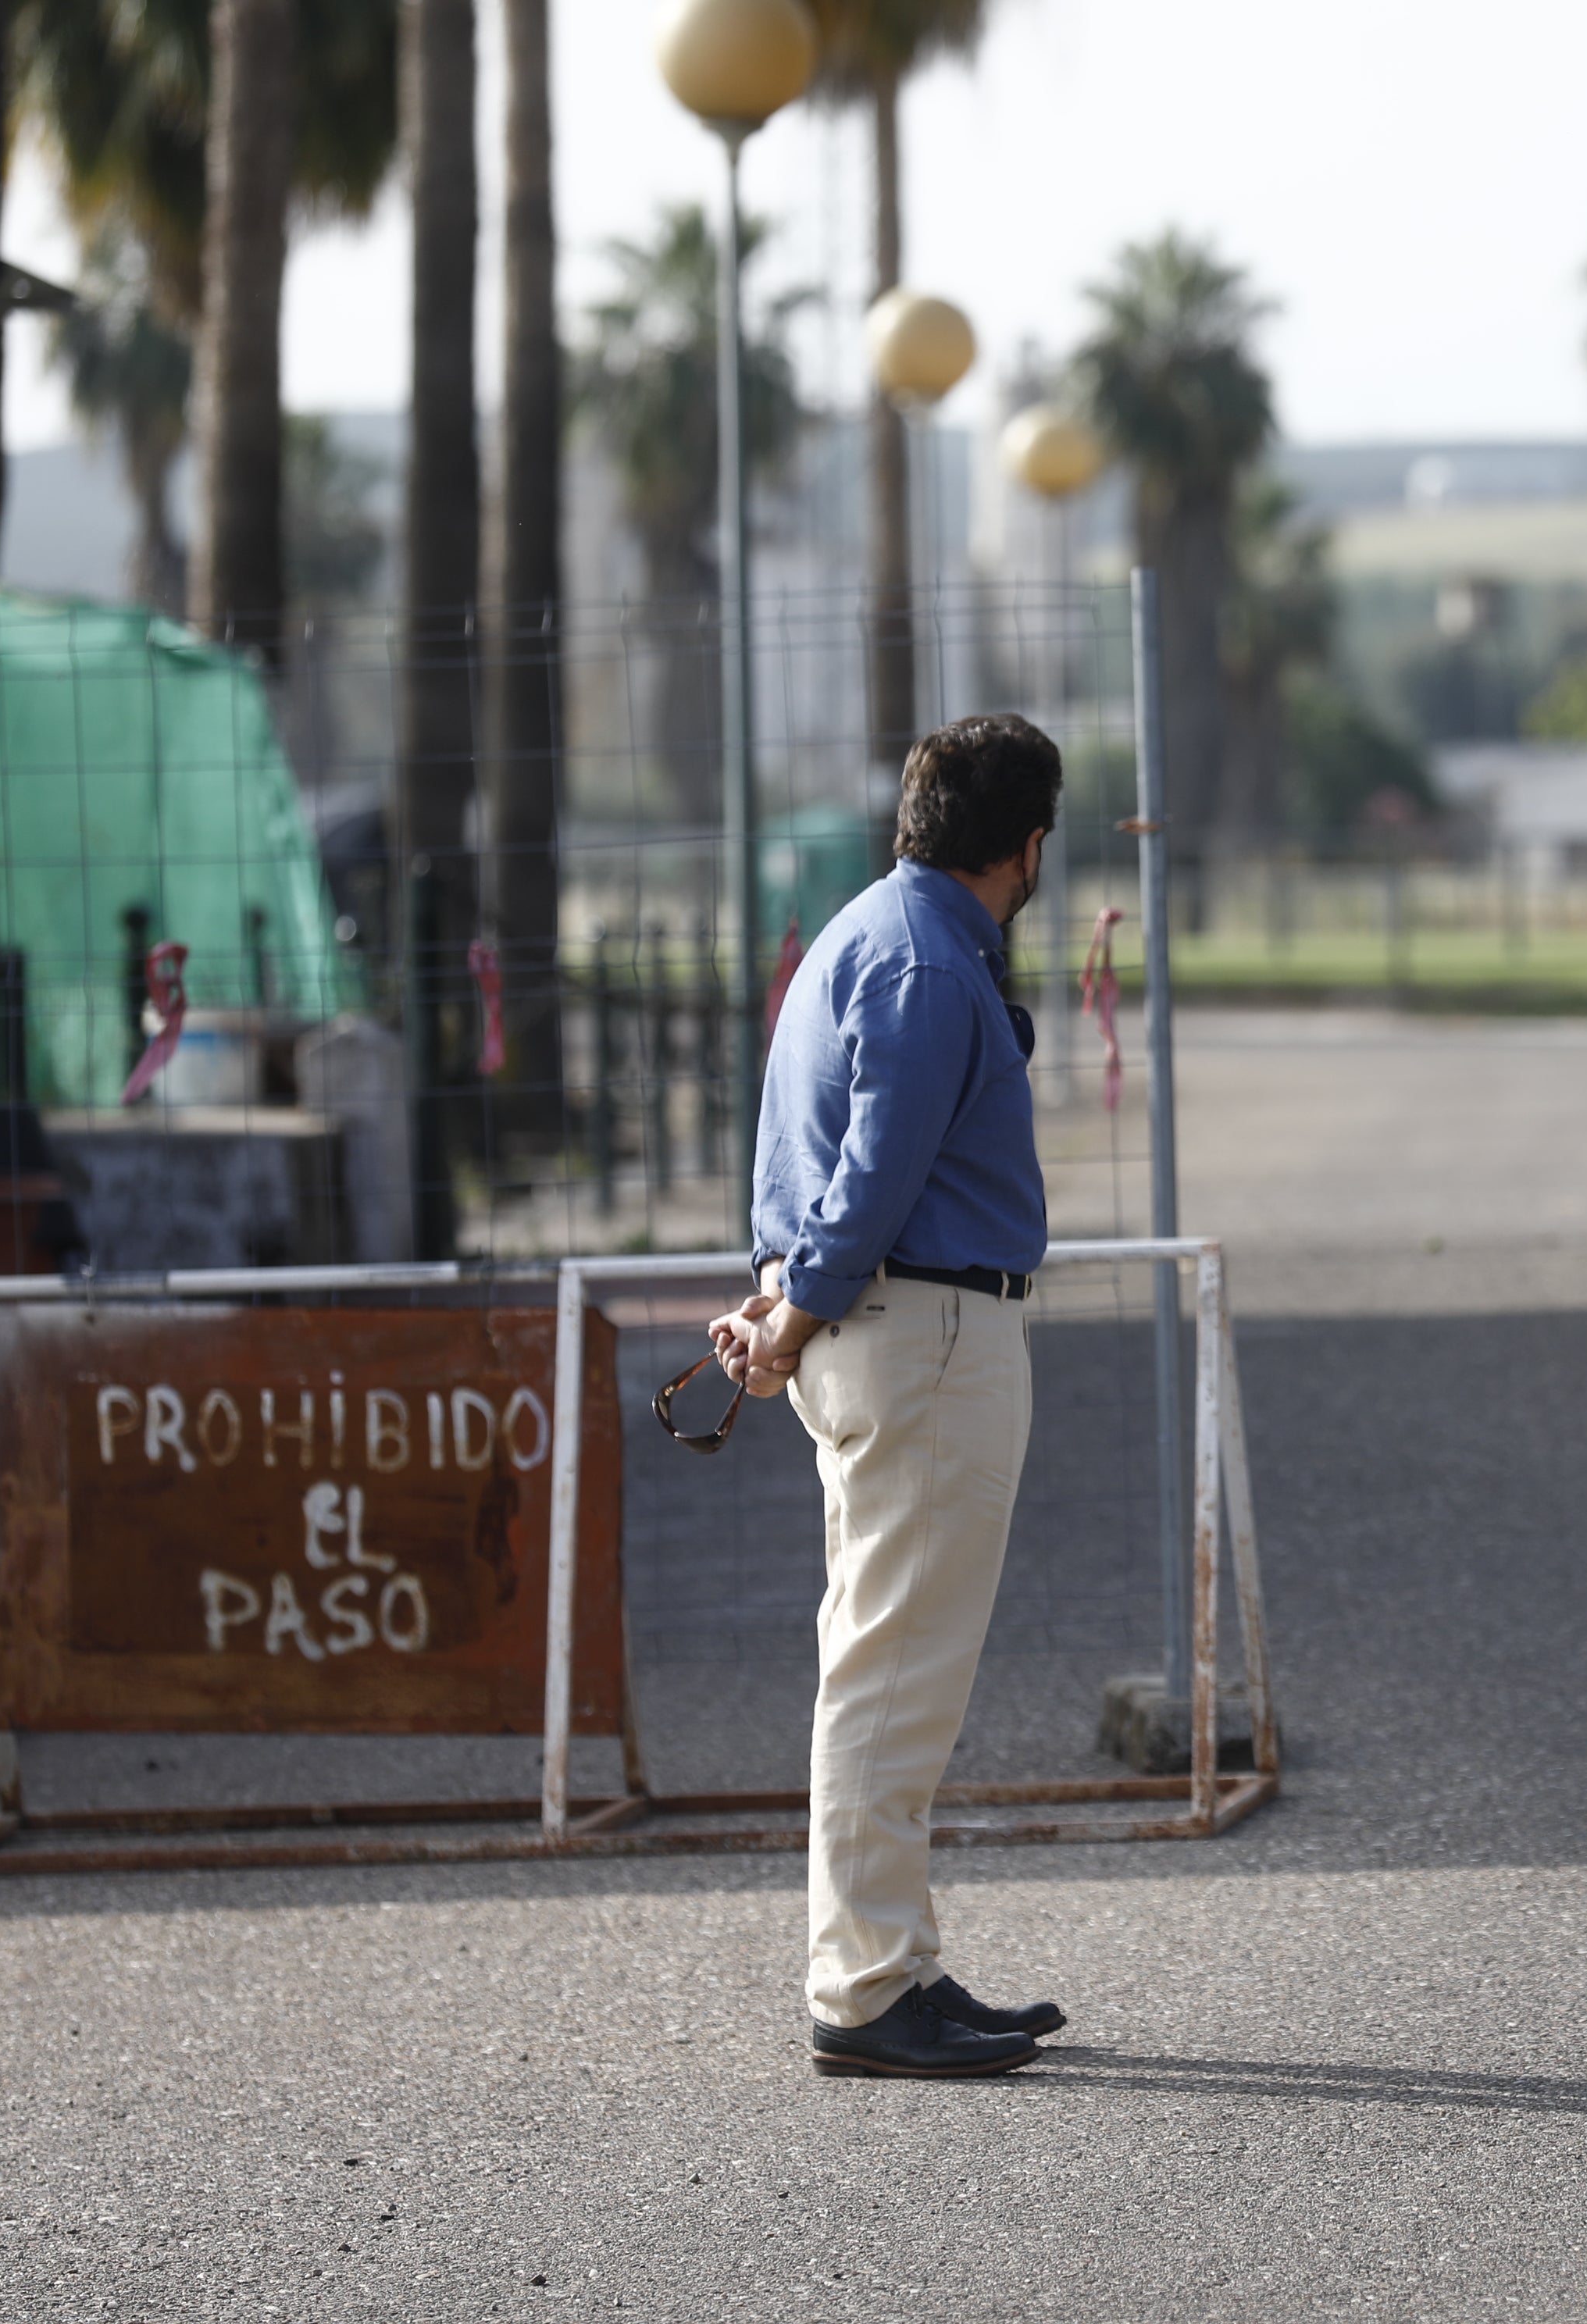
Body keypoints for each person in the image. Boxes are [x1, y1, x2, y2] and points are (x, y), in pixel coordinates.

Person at [710, 712, 1066, 2081]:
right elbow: (878, 1169)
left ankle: (898, 1960)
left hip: (880, 1324)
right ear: (1026, 845)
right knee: (890, 1672)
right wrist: (797, 1308)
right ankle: (864, 1988)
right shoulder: (931, 964)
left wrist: (778, 1295)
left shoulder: (864, 935)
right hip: (922, 1331)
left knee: (889, 1659)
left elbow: (799, 1155)